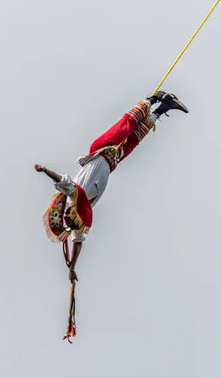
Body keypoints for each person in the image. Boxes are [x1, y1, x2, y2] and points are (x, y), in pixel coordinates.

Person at [35, 92, 188, 281]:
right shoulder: (81, 216)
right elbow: (77, 242)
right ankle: (164, 107)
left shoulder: (73, 197)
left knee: (126, 126)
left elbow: (63, 180)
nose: (70, 219)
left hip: (102, 149)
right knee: (134, 139)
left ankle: (154, 98)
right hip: (112, 162)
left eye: (67, 218)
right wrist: (72, 267)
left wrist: (45, 170)